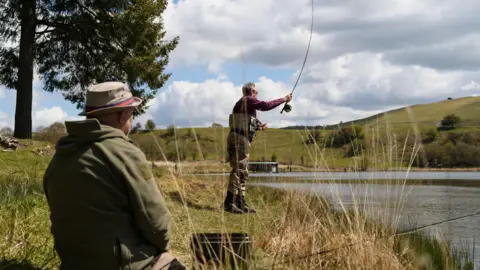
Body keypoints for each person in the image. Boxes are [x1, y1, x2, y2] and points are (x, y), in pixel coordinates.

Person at [43, 82, 185, 270]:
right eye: (132, 114)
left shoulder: (60, 155)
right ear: (122, 115)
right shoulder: (126, 153)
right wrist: (162, 249)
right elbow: (156, 224)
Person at [223, 82, 292, 214]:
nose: (257, 95)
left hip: (238, 137)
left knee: (243, 172)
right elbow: (265, 106)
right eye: (256, 92)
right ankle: (229, 202)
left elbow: (244, 124)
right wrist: (284, 99)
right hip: (240, 139)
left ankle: (240, 203)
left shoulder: (243, 104)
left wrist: (259, 127)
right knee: (239, 170)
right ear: (252, 91)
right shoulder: (248, 100)